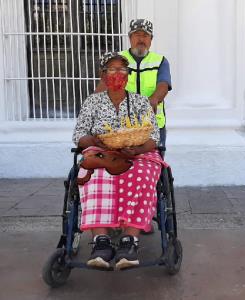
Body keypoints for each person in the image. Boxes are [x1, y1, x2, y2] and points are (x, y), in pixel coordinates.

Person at [72, 51, 166, 270]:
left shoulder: (141, 102)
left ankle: (129, 241)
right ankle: (101, 242)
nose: (117, 73)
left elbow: (154, 137)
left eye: (122, 69)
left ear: (128, 75)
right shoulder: (92, 102)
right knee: (94, 174)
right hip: (102, 153)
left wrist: (138, 148)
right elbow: (79, 136)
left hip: (137, 153)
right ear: (103, 75)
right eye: (112, 69)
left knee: (142, 174)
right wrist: (96, 140)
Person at [95, 19, 172, 147]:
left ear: (151, 40)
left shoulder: (160, 61)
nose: (141, 40)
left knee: (153, 162)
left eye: (145, 36)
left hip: (152, 125)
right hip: (119, 126)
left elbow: (163, 85)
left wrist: (154, 99)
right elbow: (103, 86)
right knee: (119, 162)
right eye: (137, 35)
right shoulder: (117, 59)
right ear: (130, 38)